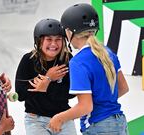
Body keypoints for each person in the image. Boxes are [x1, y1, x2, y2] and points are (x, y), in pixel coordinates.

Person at [48, 3, 129, 135]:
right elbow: (123, 88)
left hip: (99, 126)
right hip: (119, 123)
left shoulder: (78, 62)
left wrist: (59, 118)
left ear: (69, 32)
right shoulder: (108, 53)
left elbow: (85, 107)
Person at [15, 18, 77, 135]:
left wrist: (45, 85)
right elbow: (20, 94)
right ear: (39, 41)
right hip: (36, 120)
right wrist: (48, 77)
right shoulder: (28, 60)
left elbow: (72, 92)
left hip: (62, 117)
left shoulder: (67, 59)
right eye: (49, 39)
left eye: (58, 39)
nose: (53, 44)